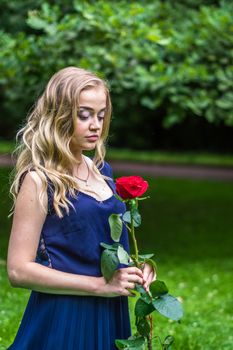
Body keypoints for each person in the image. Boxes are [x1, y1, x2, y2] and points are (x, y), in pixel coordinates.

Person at [7, 66, 156, 350]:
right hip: (65, 317)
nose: (96, 125)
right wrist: (99, 286)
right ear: (59, 115)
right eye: (84, 115)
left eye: (101, 115)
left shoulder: (103, 171)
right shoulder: (40, 180)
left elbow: (98, 246)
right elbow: (18, 270)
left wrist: (137, 270)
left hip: (110, 312)